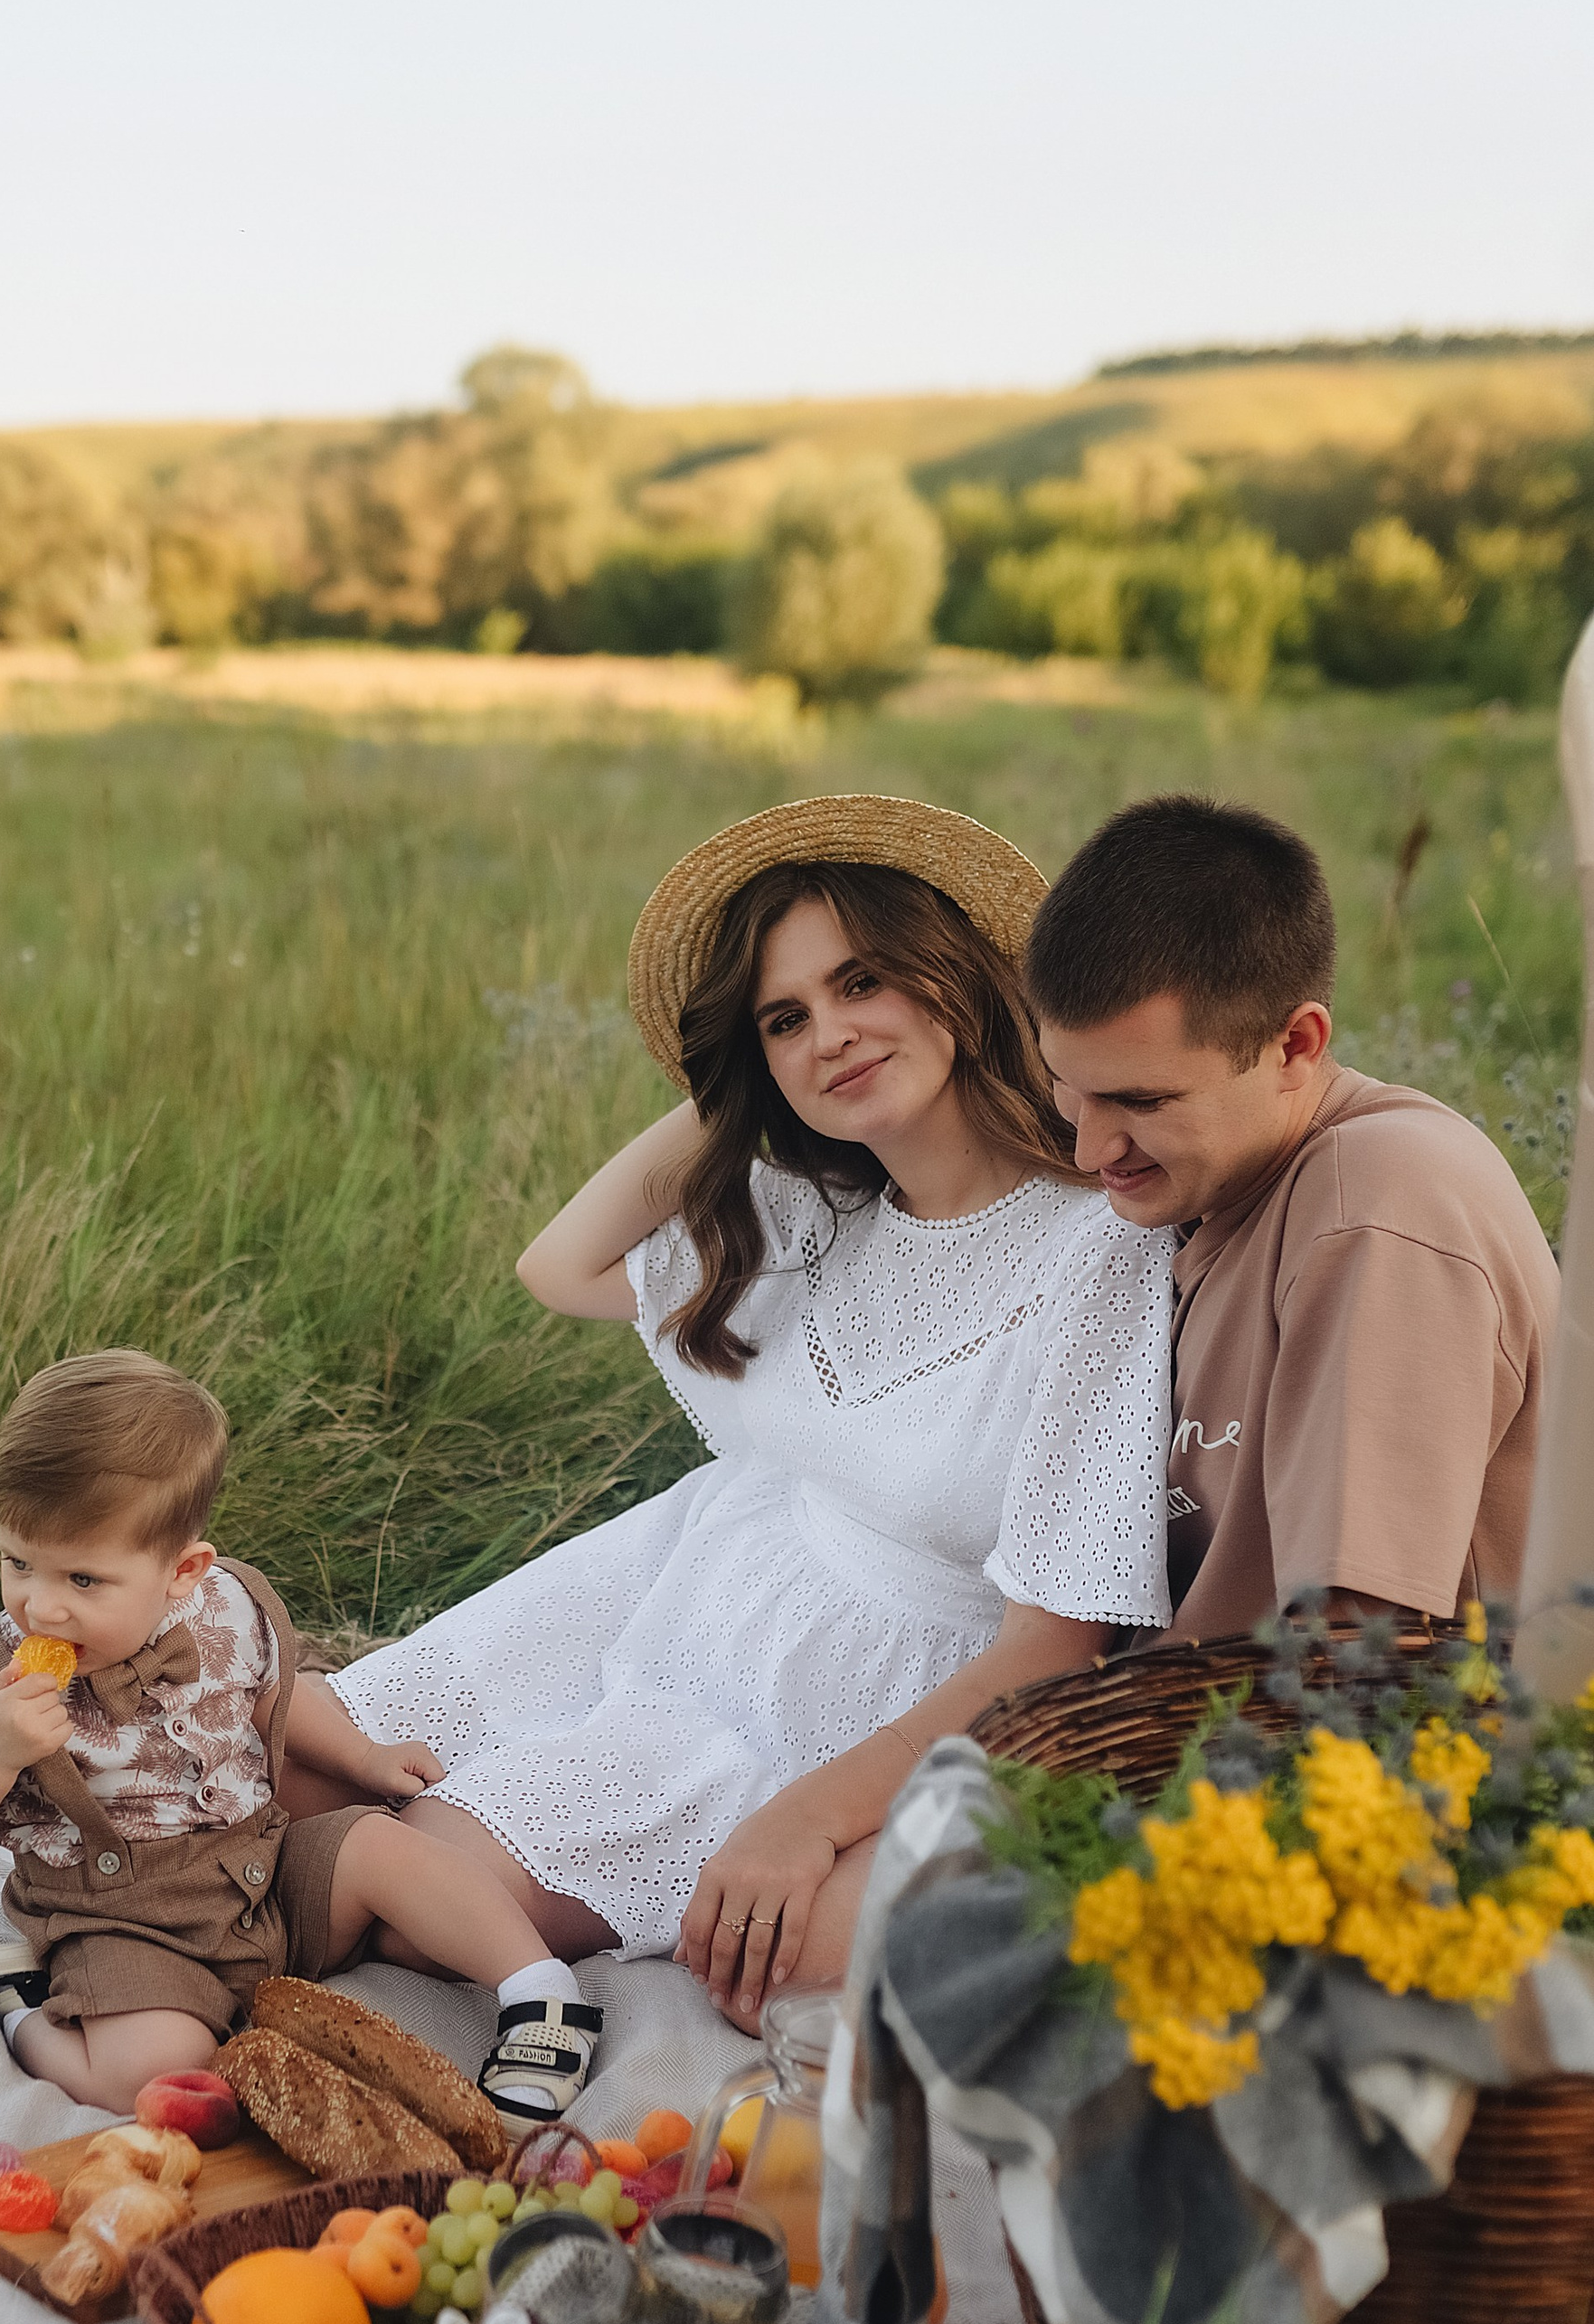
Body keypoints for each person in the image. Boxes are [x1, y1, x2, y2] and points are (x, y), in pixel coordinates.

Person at [319, 796, 1174, 2083]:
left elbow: (1055, 1646)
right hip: (699, 1579)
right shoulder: (822, 1211)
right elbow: (561, 1262)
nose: (831, 1033)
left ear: (958, 977)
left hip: (863, 1693)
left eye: (863, 981)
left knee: (409, 1885)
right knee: (311, 1772)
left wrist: (807, 1817)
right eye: (786, 1018)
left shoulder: (1098, 1249)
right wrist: (736, 1091)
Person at [0, 1350, 599, 2112]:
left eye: (83, 1579)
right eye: (18, 1562)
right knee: (155, 2071)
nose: (41, 1607)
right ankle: (25, 2014)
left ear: (184, 1571)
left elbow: (274, 1700)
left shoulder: (225, 1609)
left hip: (263, 1869)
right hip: (124, 1921)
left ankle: (542, 1997)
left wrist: (364, 1758)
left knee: (385, 1846)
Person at [1025, 795, 1561, 1636]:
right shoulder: (1216, 1186)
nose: (1092, 1151)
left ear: (1295, 1046)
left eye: (1143, 1100)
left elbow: (1350, 1655)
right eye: (1068, 1085)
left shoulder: (1379, 1212)